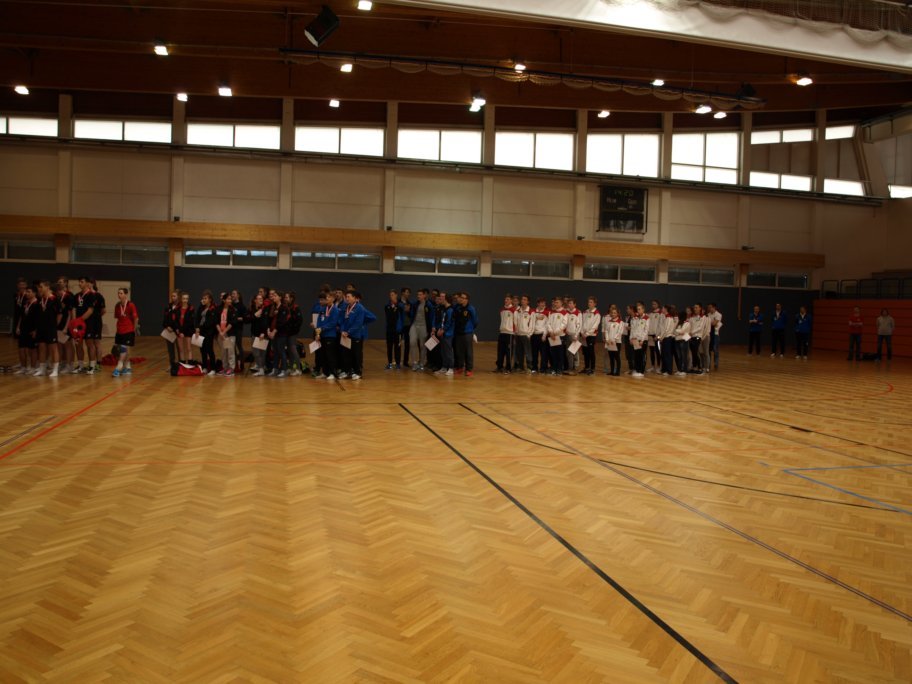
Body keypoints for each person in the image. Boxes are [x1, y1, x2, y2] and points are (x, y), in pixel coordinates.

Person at [33, 280, 60, 377]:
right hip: (41, 328)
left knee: (53, 348)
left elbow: (60, 314)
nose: (39, 289)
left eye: (41, 287)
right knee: (42, 348)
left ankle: (55, 369)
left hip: (51, 328)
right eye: (39, 287)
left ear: (47, 287)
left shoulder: (54, 299)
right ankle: (42, 369)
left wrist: (55, 326)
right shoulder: (40, 300)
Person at [111, 287, 138, 377]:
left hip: (128, 330)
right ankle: (128, 367)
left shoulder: (131, 305)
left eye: (121, 293)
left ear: (126, 294)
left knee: (123, 348)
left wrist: (134, 330)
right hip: (119, 330)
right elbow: (118, 317)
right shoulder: (117, 306)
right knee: (120, 350)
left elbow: (136, 318)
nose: (119, 295)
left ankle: (118, 367)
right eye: (118, 293)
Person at [72, 277, 98, 373]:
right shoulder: (76, 295)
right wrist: (75, 321)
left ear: (87, 283)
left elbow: (90, 310)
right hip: (78, 324)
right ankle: (80, 366)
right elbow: (74, 309)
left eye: (82, 282)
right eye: (79, 282)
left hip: (88, 323)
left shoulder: (91, 295)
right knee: (78, 344)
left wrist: (80, 320)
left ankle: (92, 366)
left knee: (89, 344)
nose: (80, 283)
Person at [314, 290, 341, 380]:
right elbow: (318, 322)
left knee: (330, 355)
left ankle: (333, 373)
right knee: (323, 355)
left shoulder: (335, 310)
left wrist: (322, 328)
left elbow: (333, 323)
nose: (327, 298)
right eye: (327, 297)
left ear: (333, 299)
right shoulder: (323, 309)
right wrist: (318, 333)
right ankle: (325, 372)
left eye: (329, 297)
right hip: (322, 335)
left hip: (330, 335)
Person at [340, 290, 366, 380]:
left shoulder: (360, 308)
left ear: (354, 298)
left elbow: (358, 323)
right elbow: (343, 321)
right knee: (346, 354)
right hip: (345, 335)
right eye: (346, 297)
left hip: (355, 335)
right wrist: (342, 331)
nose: (347, 298)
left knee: (356, 354)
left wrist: (349, 332)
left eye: (349, 297)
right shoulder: (346, 307)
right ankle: (348, 371)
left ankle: (358, 372)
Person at [15, 285, 38, 374]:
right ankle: (23, 367)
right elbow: (21, 316)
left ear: (34, 293)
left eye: (29, 292)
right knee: (21, 349)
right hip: (23, 329)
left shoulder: (37, 304)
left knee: (32, 350)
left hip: (32, 330)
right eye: (26, 292)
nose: (27, 293)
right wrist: (18, 326)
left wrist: (36, 330)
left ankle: (33, 367)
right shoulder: (25, 303)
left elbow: (39, 319)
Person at [454, 292, 477, 377]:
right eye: (460, 297)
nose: (461, 299)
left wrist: (470, 329)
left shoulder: (471, 309)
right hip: (458, 333)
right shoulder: (457, 307)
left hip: (467, 333)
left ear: (467, 300)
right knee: (459, 351)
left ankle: (469, 369)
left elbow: (475, 321)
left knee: (468, 352)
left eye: (463, 298)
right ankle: (460, 367)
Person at [215, 292, 238, 377]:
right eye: (228, 299)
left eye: (230, 299)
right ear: (224, 300)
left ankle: (231, 369)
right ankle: (225, 368)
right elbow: (216, 322)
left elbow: (232, 323)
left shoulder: (233, 310)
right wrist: (220, 332)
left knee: (230, 352)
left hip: (229, 334)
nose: (230, 300)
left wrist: (224, 332)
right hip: (221, 334)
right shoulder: (218, 309)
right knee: (223, 352)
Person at [409, 288, 432, 371]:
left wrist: (431, 328)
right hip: (414, 325)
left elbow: (431, 317)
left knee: (423, 345)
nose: (418, 296)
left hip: (424, 326)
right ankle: (414, 363)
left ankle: (421, 363)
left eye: (420, 294)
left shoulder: (429, 305)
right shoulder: (415, 304)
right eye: (418, 295)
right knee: (412, 342)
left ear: (424, 295)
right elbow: (411, 314)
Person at [56, 277, 76, 374]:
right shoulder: (58, 297)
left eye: (61, 282)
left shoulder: (69, 296)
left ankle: (70, 365)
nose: (59, 283)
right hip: (59, 324)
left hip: (66, 325)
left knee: (68, 345)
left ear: (66, 283)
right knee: (60, 345)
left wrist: (68, 326)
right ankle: (63, 363)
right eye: (58, 282)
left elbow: (70, 313)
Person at [195, 290, 218, 375]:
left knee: (210, 350)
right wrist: (197, 328)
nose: (203, 300)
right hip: (201, 332)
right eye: (203, 298)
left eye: (205, 298)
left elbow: (211, 321)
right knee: (202, 350)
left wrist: (201, 327)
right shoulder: (201, 307)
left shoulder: (213, 308)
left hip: (209, 332)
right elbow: (197, 318)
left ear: (210, 299)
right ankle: (204, 367)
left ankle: (213, 368)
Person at [433, 291, 454, 376]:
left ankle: (451, 368)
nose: (440, 298)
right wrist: (439, 329)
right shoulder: (444, 309)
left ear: (446, 299)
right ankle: (444, 367)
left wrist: (443, 330)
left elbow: (449, 323)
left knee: (448, 352)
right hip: (442, 333)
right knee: (443, 351)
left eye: (442, 297)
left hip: (448, 334)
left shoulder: (450, 310)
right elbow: (442, 321)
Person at [546, 296, 567, 376]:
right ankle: (554, 368)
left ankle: (559, 369)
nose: (555, 304)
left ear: (561, 303)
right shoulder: (551, 312)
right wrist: (551, 332)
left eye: (557, 302)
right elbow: (548, 323)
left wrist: (555, 332)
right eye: (555, 302)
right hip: (552, 336)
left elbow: (564, 325)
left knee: (560, 353)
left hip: (560, 336)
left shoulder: (564, 313)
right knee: (553, 353)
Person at [249, 293, 270, 376]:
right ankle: (260, 368)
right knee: (256, 353)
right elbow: (247, 319)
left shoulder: (265, 309)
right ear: (255, 300)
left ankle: (261, 369)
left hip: (262, 335)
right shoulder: (252, 309)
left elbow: (266, 322)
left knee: (262, 354)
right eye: (259, 298)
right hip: (254, 334)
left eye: (262, 298)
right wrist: (254, 315)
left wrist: (263, 333)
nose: (261, 300)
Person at [513, 295, 534, 374]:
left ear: (528, 302)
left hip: (526, 335)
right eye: (522, 299)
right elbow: (515, 322)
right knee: (519, 352)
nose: (522, 301)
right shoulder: (517, 311)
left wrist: (529, 334)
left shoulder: (531, 312)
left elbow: (532, 325)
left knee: (527, 352)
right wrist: (516, 332)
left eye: (525, 299)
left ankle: (529, 367)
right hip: (518, 335)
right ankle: (520, 367)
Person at [602, 304, 624, 377]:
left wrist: (614, 339)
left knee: (617, 357)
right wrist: (607, 339)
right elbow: (606, 331)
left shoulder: (620, 322)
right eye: (612, 313)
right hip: (609, 342)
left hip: (616, 342)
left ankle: (617, 371)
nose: (613, 314)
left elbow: (619, 332)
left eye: (615, 313)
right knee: (611, 357)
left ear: (617, 314)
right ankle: (611, 371)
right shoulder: (609, 321)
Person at [384, 289, 402, 370]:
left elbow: (402, 317)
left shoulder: (400, 306)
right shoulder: (387, 306)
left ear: (396, 295)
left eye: (392, 295)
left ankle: (398, 364)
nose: (391, 296)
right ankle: (390, 363)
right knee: (389, 347)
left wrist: (400, 328)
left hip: (397, 331)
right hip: (389, 330)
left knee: (397, 347)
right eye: (390, 295)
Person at [629, 302, 649, 378]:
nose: (638, 310)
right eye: (637, 309)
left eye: (640, 309)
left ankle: (641, 371)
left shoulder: (646, 318)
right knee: (636, 355)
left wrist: (642, 340)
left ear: (643, 309)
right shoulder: (635, 318)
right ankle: (637, 370)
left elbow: (646, 330)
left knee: (642, 355)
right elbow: (633, 329)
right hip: (635, 340)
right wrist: (631, 338)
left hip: (642, 340)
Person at [495, 294, 514, 373]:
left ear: (511, 300)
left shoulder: (514, 310)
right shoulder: (502, 310)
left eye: (508, 299)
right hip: (502, 332)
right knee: (500, 351)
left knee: (508, 351)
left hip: (510, 333)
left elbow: (515, 322)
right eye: (505, 299)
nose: (506, 300)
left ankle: (508, 368)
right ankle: (499, 367)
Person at [162, 290, 180, 366]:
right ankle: (172, 365)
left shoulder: (181, 306)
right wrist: (167, 326)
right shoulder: (168, 307)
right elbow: (165, 319)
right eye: (172, 296)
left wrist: (176, 328)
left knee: (180, 349)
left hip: (177, 331)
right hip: (169, 331)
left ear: (178, 297)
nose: (173, 297)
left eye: (174, 296)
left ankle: (181, 364)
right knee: (170, 349)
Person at [531, 298, 549, 375]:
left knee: (543, 353)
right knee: (534, 353)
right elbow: (531, 323)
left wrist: (544, 335)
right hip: (534, 335)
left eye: (544, 303)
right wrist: (530, 333)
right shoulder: (533, 312)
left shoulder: (547, 312)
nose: (542, 304)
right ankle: (534, 368)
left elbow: (547, 325)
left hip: (542, 335)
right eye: (541, 303)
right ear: (537, 303)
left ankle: (543, 368)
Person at [564, 297, 583, 374]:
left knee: (573, 352)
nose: (569, 305)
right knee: (568, 353)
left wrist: (576, 335)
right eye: (569, 303)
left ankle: (574, 368)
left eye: (571, 303)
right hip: (567, 334)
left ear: (575, 304)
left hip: (574, 335)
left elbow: (579, 325)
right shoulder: (566, 312)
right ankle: (570, 368)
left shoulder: (578, 313)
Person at [175, 292, 195, 364]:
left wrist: (183, 331)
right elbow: (175, 320)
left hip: (188, 330)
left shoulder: (191, 308)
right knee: (181, 349)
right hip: (179, 331)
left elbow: (190, 322)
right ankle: (182, 363)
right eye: (184, 298)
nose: (185, 300)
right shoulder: (177, 308)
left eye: (186, 299)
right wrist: (178, 330)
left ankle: (190, 363)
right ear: (181, 299)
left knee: (189, 348)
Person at [231, 290, 247, 372]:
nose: (232, 295)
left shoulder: (242, 306)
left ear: (238, 295)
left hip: (238, 329)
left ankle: (242, 365)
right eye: (232, 294)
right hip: (231, 329)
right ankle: (235, 365)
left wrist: (236, 319)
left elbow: (244, 318)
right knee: (232, 347)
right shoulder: (230, 305)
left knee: (239, 346)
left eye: (234, 294)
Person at [660, 304, 677, 376]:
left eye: (663, 308)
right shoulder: (666, 317)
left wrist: (661, 337)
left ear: (666, 309)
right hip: (665, 338)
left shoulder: (669, 318)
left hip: (668, 338)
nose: (662, 309)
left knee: (667, 354)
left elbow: (666, 330)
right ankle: (664, 369)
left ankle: (669, 370)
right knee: (663, 354)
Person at [673, 312, 691, 377]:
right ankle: (680, 369)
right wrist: (678, 331)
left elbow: (682, 331)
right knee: (679, 356)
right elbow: (674, 330)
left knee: (684, 356)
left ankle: (684, 370)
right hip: (677, 340)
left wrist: (678, 331)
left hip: (683, 340)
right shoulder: (678, 323)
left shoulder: (687, 323)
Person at [647, 299, 662, 373]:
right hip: (650, 335)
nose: (653, 305)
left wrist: (658, 335)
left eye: (655, 304)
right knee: (651, 352)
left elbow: (661, 326)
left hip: (657, 336)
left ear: (658, 305)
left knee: (658, 351)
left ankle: (659, 366)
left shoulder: (660, 314)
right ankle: (652, 366)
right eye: (652, 304)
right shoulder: (650, 314)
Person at [399, 287, 413, 369]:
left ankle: (405, 361)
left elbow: (412, 313)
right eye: (407, 292)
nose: (408, 294)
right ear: (402, 293)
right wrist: (403, 308)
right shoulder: (398, 302)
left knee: (407, 344)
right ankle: (398, 361)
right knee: (398, 343)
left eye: (409, 292)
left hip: (408, 326)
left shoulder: (410, 303)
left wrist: (409, 311)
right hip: (400, 326)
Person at [706, 302, 722, 370]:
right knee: (708, 349)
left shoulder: (718, 314)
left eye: (710, 307)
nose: (709, 308)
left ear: (714, 307)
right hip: (709, 333)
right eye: (708, 307)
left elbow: (714, 324)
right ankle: (708, 363)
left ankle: (716, 363)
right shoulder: (708, 314)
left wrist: (709, 323)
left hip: (715, 334)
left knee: (715, 349)